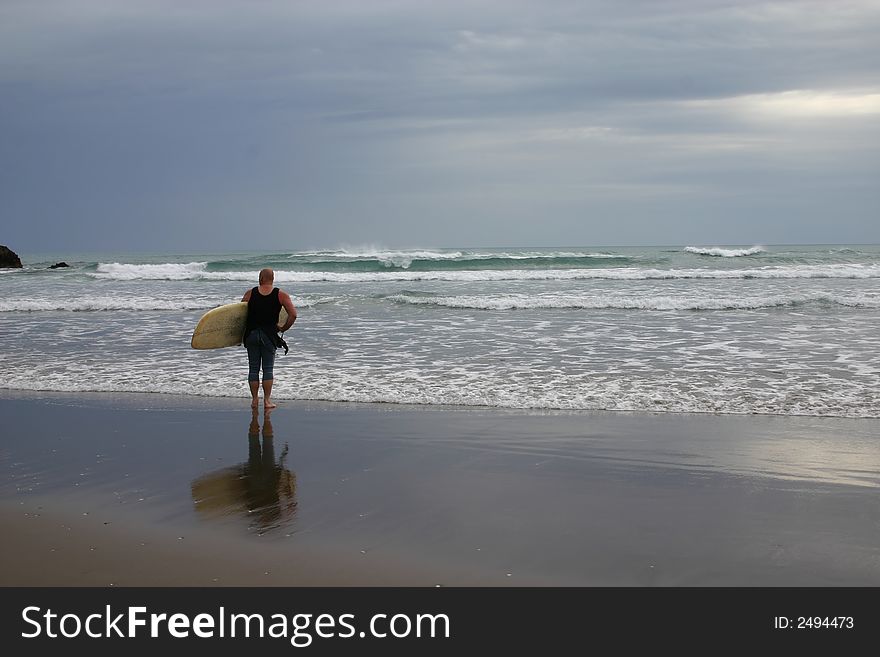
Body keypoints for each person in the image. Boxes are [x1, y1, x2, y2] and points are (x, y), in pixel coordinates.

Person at [242, 268, 297, 409]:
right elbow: (293, 315)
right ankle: (266, 401)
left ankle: (254, 400)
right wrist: (283, 328)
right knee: (268, 369)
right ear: (273, 279)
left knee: (253, 369)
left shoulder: (250, 293)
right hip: (269, 335)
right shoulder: (281, 295)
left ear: (260, 278)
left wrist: (236, 336)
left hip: (252, 335)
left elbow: (239, 315)